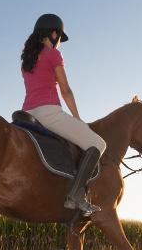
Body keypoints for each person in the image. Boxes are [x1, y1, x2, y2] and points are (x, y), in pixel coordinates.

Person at [20, 13, 107, 215]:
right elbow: (66, 90)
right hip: (49, 112)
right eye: (59, 38)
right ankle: (76, 194)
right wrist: (78, 119)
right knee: (98, 144)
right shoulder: (53, 55)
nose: (59, 43)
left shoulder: (26, 60)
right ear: (53, 33)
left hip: (27, 113)